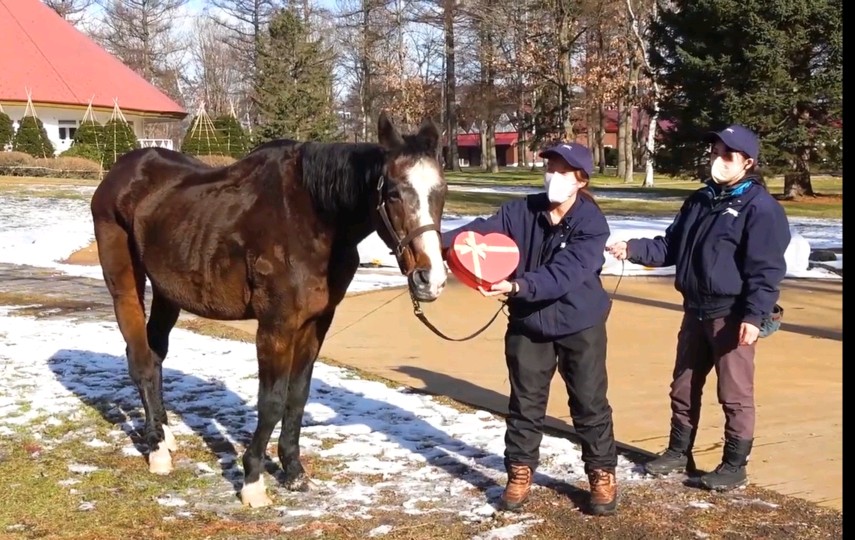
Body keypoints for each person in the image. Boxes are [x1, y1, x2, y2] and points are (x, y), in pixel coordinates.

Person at [606, 124, 791, 491]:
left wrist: (754, 316)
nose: (717, 160)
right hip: (695, 310)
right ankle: (679, 451)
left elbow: (766, 270)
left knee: (734, 394)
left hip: (733, 315)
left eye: (727, 154)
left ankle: (734, 464)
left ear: (748, 162)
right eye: (714, 152)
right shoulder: (699, 201)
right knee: (684, 385)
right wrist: (634, 248)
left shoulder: (761, 208)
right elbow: (670, 247)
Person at [441, 142, 618, 516]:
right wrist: (435, 243)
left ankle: (601, 474)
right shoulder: (521, 209)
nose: (552, 175)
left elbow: (565, 273)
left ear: (580, 180)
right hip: (529, 324)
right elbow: (480, 231)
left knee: (588, 402)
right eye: (550, 167)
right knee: (524, 404)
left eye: (562, 170)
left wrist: (518, 286)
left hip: (579, 323)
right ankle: (519, 473)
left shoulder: (592, 224)